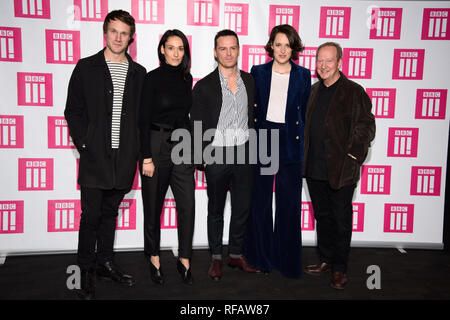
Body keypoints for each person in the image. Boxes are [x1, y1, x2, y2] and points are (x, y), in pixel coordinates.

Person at [64, 10, 146, 299]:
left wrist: (138, 150)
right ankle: (84, 269)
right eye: (114, 31)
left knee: (110, 214)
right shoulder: (86, 67)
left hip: (124, 158)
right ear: (105, 32)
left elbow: (141, 118)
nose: (118, 37)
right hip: (95, 157)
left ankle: (105, 262)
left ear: (130, 38)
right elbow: (72, 110)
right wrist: (84, 142)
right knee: (91, 216)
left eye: (124, 33)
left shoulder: (139, 73)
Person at [303, 42, 376, 289]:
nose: (323, 66)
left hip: (341, 170)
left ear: (340, 63)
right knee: (322, 216)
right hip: (314, 167)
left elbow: (366, 127)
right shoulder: (313, 91)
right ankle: (325, 259)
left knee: (341, 219)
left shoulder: (354, 92)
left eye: (329, 61)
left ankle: (340, 268)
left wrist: (353, 157)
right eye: (319, 60)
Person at [243, 24, 311, 278]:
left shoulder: (304, 75)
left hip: (291, 143)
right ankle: (260, 257)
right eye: (278, 44)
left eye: (287, 44)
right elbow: (251, 112)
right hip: (263, 140)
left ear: (294, 47)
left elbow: (304, 114)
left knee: (289, 204)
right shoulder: (257, 72)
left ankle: (287, 261)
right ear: (271, 45)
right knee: (260, 203)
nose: (282, 49)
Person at [190, 29, 259, 281]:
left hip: (243, 154)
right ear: (215, 52)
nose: (228, 53)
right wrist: (203, 158)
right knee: (216, 209)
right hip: (216, 155)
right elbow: (196, 123)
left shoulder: (250, 81)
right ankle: (216, 257)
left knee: (242, 208)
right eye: (223, 48)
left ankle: (236, 254)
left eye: (233, 48)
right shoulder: (204, 85)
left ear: (238, 50)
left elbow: (254, 117)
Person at [139, 29, 195, 285]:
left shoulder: (187, 79)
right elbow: (142, 121)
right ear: (162, 49)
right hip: (156, 143)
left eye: (180, 48)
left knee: (187, 205)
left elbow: (186, 117)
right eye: (171, 47)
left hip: (182, 145)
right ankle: (153, 256)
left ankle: (184, 258)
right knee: (153, 207)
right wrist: (146, 157)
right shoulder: (150, 79)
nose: (176, 53)